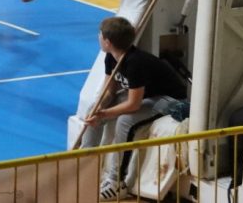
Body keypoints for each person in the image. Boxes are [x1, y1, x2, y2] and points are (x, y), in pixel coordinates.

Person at [80, 16, 187, 200]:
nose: (98, 37)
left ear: (108, 41)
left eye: (100, 34)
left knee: (125, 121)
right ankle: (85, 162)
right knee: (92, 107)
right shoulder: (111, 57)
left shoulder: (135, 62)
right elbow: (109, 91)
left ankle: (116, 181)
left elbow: (133, 104)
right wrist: (98, 108)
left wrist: (104, 114)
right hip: (144, 94)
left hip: (166, 97)